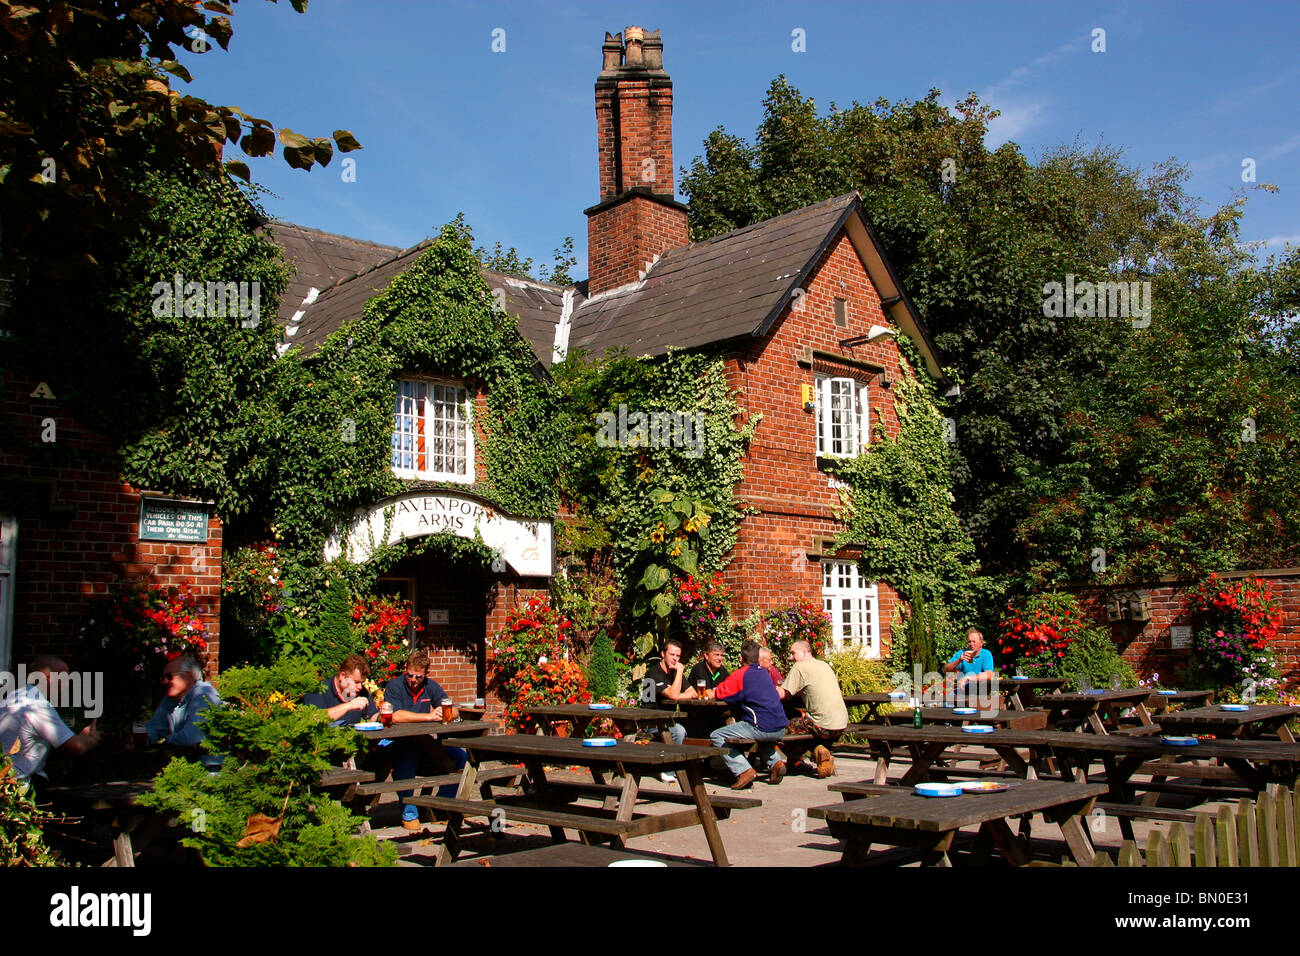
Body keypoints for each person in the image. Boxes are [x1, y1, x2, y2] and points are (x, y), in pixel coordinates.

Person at [381, 649, 466, 831]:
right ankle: (409, 813)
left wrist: (446, 712)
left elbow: (454, 709)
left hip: (426, 743)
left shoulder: (431, 686)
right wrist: (428, 717)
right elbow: (396, 716)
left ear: (426, 674)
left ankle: (439, 806)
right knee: (406, 760)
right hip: (399, 742)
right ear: (406, 670)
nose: (413, 680)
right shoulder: (395, 686)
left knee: (461, 758)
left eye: (418, 677)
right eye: (410, 675)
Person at [0, 655, 100, 798]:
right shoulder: (38, 707)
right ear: (47, 678)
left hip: (5, 780)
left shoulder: (14, 697)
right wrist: (90, 737)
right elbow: (77, 747)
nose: (67, 684)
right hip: (18, 787)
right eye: (64, 678)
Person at [709, 640, 788, 789]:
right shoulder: (764, 673)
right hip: (780, 726)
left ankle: (744, 770)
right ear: (758, 658)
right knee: (760, 735)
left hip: (761, 726)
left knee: (717, 735)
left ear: (741, 658)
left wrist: (710, 692)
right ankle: (776, 763)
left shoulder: (741, 674)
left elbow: (719, 693)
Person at [777, 640, 849, 778]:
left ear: (805, 652)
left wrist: (765, 690)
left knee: (777, 729)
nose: (790, 658)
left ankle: (816, 751)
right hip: (841, 723)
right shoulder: (823, 664)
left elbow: (782, 695)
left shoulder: (800, 666)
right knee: (800, 722)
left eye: (793, 653)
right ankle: (806, 759)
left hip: (822, 725)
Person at [147, 655, 223, 769]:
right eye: (162, 678)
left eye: (169, 676)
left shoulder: (204, 695)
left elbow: (191, 737)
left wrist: (164, 740)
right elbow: (153, 730)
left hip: (210, 769)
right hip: (184, 767)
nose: (165, 681)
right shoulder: (170, 698)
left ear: (189, 675)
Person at [304, 654, 377, 726]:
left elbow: (373, 716)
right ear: (342, 676)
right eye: (356, 682)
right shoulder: (319, 690)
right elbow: (313, 719)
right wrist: (349, 706)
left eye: (362, 683)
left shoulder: (361, 692)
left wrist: (383, 715)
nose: (360, 687)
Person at [641, 639, 690, 747]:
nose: (675, 659)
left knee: (693, 725)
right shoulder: (653, 673)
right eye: (672, 654)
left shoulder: (674, 673)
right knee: (679, 731)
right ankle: (673, 760)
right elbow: (673, 695)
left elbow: (693, 693)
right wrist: (680, 671)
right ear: (663, 654)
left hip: (668, 720)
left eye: (678, 656)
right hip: (650, 721)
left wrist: (677, 694)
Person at [943, 628, 996, 698]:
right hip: (963, 690)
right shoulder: (962, 653)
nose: (971, 644)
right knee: (946, 702)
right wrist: (959, 660)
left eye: (974, 641)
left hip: (980, 691)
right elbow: (946, 669)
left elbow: (989, 674)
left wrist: (968, 678)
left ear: (981, 643)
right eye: (969, 642)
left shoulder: (986, 654)